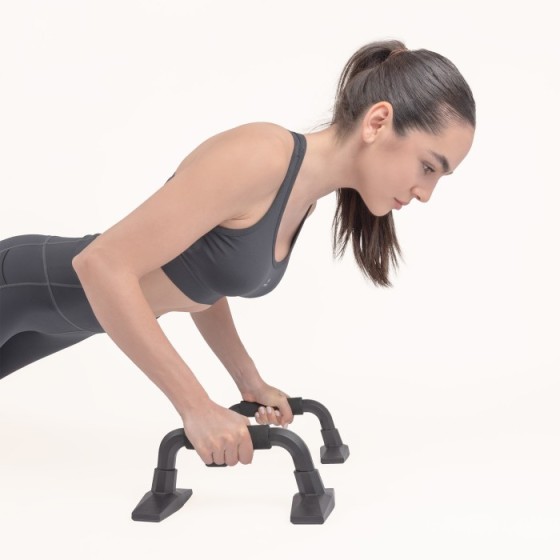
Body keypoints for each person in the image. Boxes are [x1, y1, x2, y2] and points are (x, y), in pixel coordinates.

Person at [0, 39, 475, 468]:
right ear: (378, 122)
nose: (426, 193)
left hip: (61, 324)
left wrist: (248, 381)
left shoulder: (302, 196)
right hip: (15, 288)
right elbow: (102, 265)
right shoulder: (261, 156)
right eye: (428, 166)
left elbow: (202, 279)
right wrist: (195, 406)